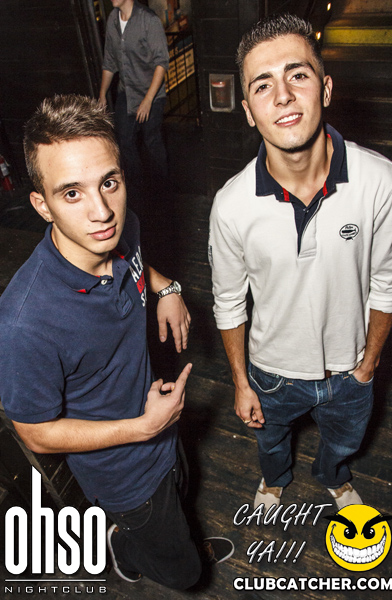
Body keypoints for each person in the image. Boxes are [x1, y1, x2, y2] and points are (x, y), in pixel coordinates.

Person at [0, 95, 233, 589]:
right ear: (41, 205)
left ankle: (160, 541)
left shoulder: (123, 230)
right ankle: (124, 548)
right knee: (187, 573)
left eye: (109, 182)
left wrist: (166, 287)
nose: (102, 211)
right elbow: (35, 433)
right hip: (124, 473)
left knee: (182, 491)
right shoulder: (26, 323)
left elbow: (132, 261)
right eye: (72, 193)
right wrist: (143, 428)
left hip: (160, 424)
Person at [209, 14, 392, 512]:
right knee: (270, 443)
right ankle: (275, 480)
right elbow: (228, 302)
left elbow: (387, 283)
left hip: (350, 368)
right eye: (262, 85)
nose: (283, 95)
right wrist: (241, 381)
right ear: (248, 111)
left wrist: (368, 366)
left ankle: (333, 475)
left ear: (326, 88)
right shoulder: (230, 205)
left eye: (297, 74)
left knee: (343, 442)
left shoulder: (381, 180)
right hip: (270, 371)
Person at [99, 0, 170, 204]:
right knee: (124, 142)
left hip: (151, 94)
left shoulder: (148, 20)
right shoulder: (113, 20)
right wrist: (102, 93)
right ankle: (138, 191)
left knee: (151, 140)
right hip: (127, 93)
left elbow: (161, 63)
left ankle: (163, 192)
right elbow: (109, 62)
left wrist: (148, 100)